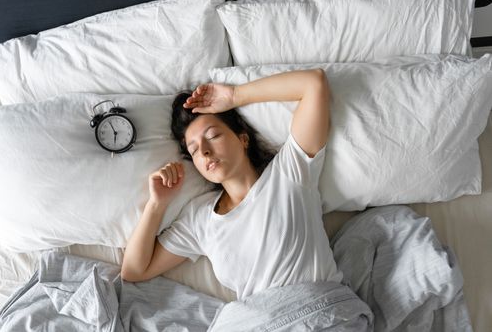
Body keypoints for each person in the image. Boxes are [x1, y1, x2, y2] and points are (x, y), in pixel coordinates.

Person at [121, 69, 343, 299]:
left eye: (213, 136)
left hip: (319, 311)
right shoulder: (199, 219)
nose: (205, 151)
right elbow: (133, 271)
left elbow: (313, 83)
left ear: (243, 138)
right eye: (194, 150)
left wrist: (236, 96)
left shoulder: (290, 171)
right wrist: (157, 205)